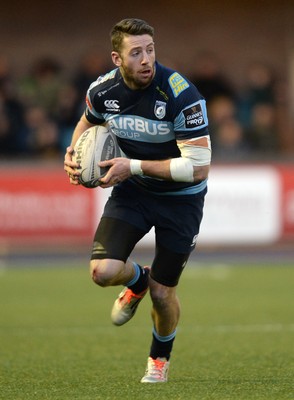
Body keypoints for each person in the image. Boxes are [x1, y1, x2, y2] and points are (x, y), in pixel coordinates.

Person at [64, 18, 211, 383]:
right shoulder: (102, 90)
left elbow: (199, 168)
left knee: (164, 294)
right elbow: (87, 122)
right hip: (134, 192)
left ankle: (159, 358)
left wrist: (133, 165)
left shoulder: (181, 94)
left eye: (150, 50)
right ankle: (137, 281)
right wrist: (72, 154)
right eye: (136, 53)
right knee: (103, 272)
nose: (146, 59)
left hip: (181, 200)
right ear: (117, 58)